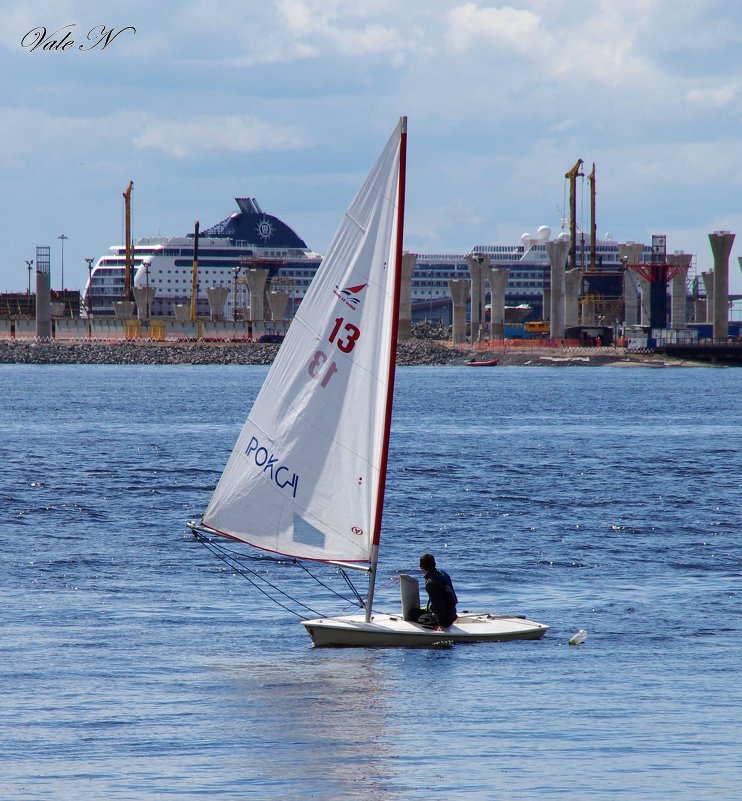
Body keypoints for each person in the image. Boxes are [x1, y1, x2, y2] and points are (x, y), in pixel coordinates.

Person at [419, 552, 458, 628]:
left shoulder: (431, 583)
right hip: (452, 614)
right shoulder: (442, 573)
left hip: (445, 619)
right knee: (419, 611)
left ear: (421, 566)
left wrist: (441, 624)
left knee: (412, 614)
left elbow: (438, 605)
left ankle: (440, 622)